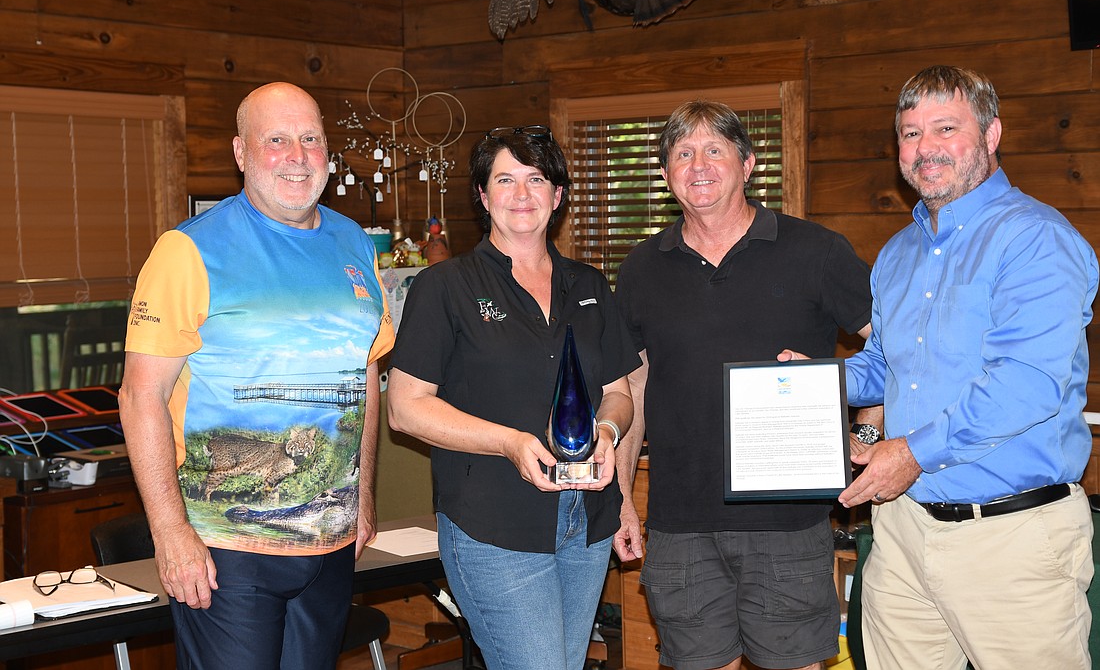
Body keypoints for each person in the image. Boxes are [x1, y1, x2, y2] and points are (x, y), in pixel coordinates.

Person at [780, 65, 1098, 669]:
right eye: (909, 134)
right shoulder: (898, 254)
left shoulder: (1036, 240)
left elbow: (1025, 385)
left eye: (944, 129)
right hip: (900, 531)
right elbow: (885, 363)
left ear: (991, 133)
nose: (924, 149)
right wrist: (812, 381)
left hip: (1010, 537)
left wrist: (913, 453)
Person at [118, 82, 394, 670]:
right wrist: (171, 533)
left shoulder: (355, 242)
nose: (297, 155)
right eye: (276, 140)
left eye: (310, 139)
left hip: (332, 542)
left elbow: (364, 374)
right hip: (225, 555)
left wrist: (362, 495)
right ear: (241, 153)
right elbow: (141, 398)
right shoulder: (187, 252)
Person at [613, 100, 874, 670]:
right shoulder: (640, 269)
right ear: (664, 175)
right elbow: (630, 388)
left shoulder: (817, 252)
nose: (698, 164)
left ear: (749, 163)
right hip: (680, 525)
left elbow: (894, 350)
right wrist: (625, 501)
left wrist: (867, 438)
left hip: (790, 524)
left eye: (714, 149)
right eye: (682, 153)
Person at [387, 124, 640, 670]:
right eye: (505, 180)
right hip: (494, 525)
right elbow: (404, 408)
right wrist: (508, 443)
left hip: (587, 520)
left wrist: (608, 433)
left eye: (536, 179)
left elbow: (619, 393)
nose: (522, 195)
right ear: (483, 196)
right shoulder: (445, 287)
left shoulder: (591, 285)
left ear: (559, 195)